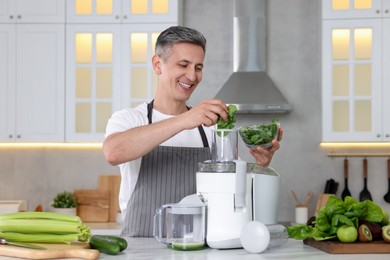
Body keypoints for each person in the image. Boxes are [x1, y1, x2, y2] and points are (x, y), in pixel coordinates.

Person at [103, 26, 283, 237]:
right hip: (143, 246)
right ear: (157, 64)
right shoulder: (130, 119)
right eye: (183, 65)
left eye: (198, 67)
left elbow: (234, 191)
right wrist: (184, 120)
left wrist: (260, 166)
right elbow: (113, 152)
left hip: (199, 246)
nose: (192, 76)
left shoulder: (211, 128)